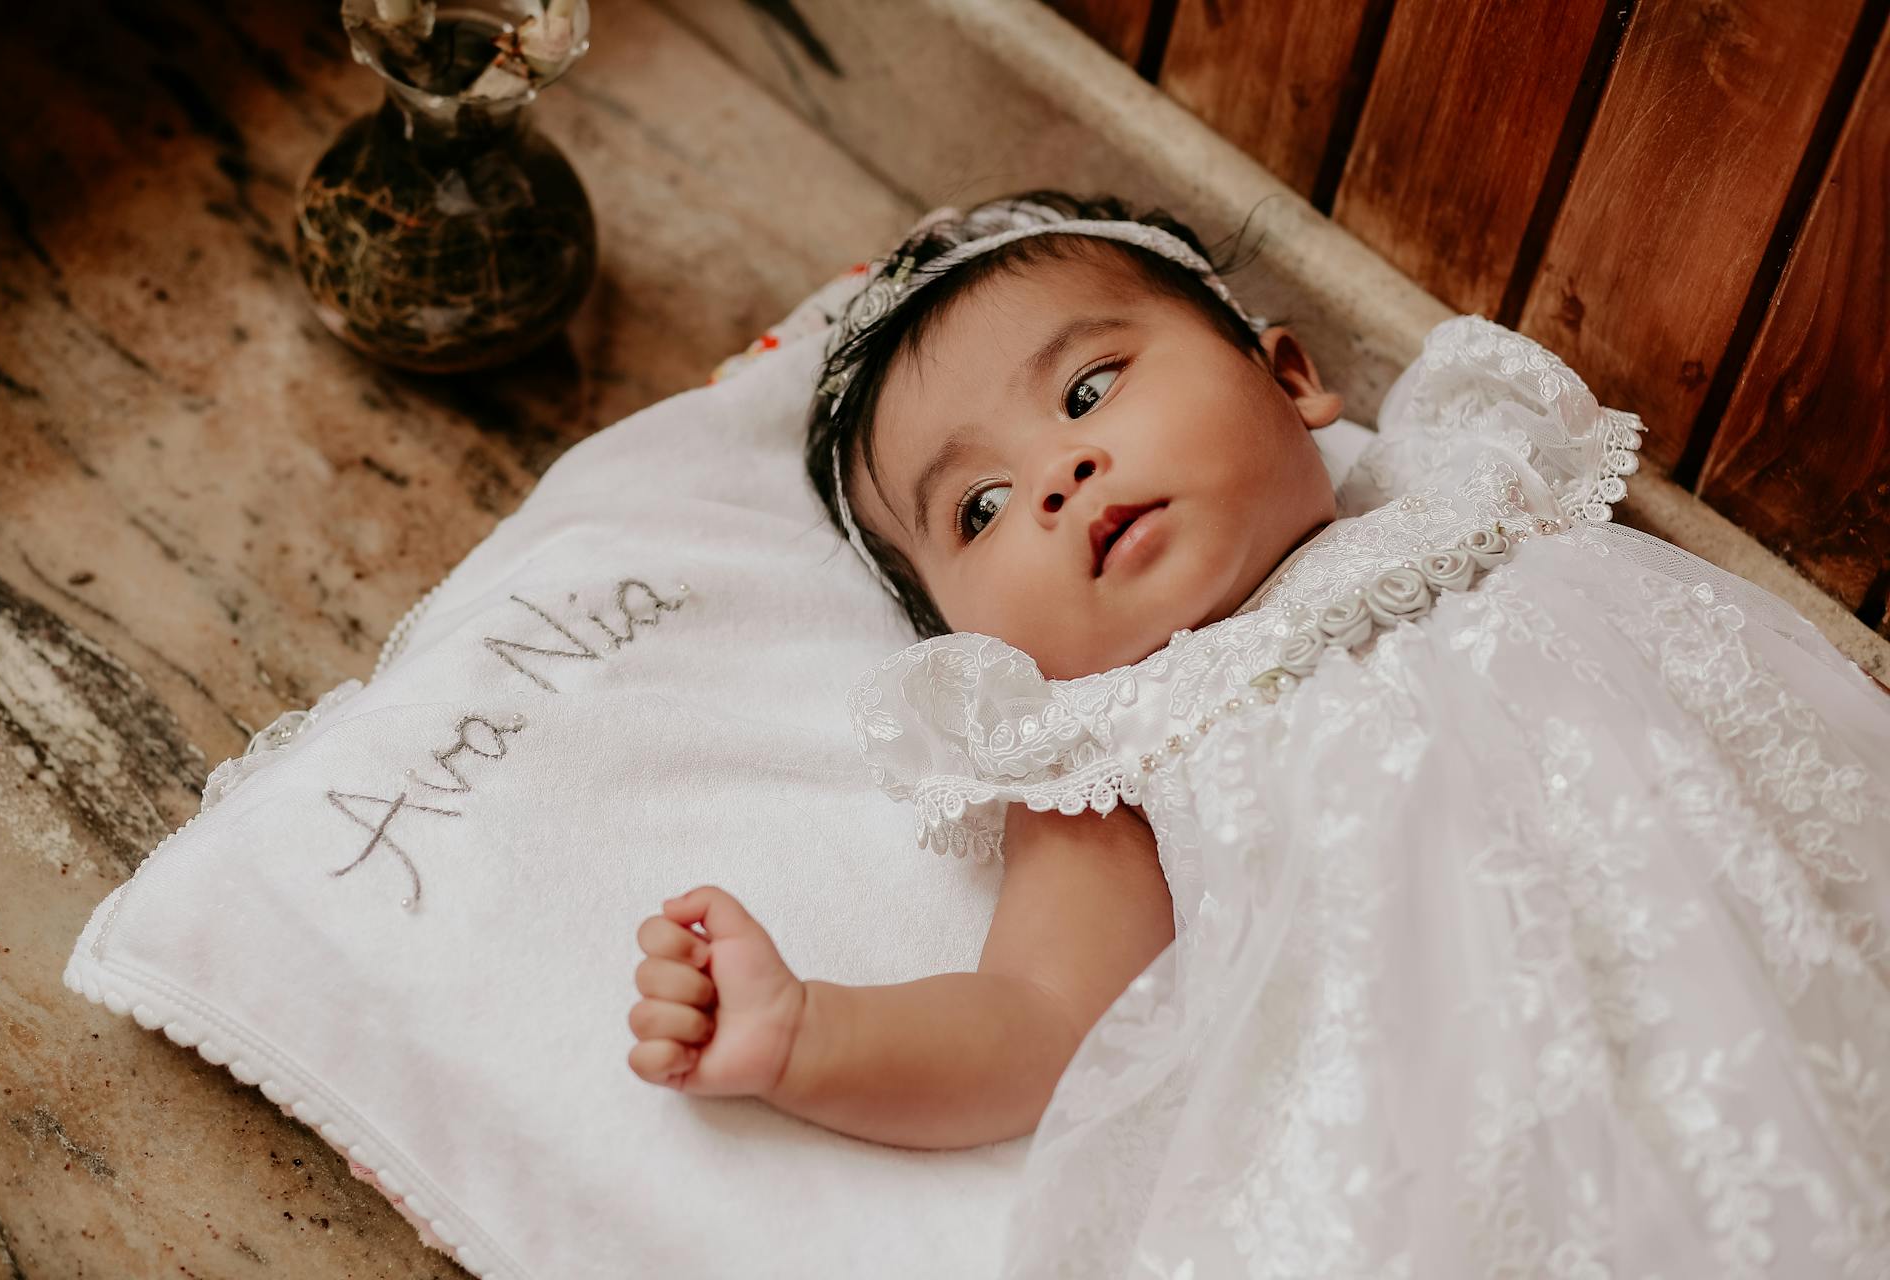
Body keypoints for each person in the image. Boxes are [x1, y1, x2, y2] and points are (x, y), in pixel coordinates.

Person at [626, 191, 1890, 1276]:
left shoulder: (1472, 481)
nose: (1061, 475)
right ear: (965, 640)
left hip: (1740, 902)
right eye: (983, 506)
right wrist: (809, 1034)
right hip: (1465, 1077)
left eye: (1089, 387)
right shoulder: (1106, 743)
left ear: (1290, 379)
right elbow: (1032, 1013)